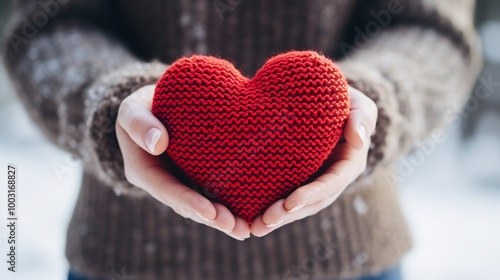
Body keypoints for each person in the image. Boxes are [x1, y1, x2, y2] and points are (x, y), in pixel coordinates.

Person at [3, 0, 482, 279]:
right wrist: (112, 104)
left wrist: (369, 100)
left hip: (350, 259)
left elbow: (431, 25)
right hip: (126, 259)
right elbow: (48, 21)